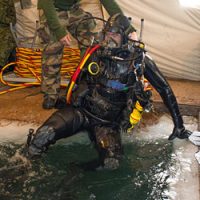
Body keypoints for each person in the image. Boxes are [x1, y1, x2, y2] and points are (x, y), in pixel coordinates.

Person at [26, 13, 192, 170]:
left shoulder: (139, 60)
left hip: (107, 124)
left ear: (125, 36)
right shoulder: (96, 52)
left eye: (114, 34)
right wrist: (79, 90)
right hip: (81, 112)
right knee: (43, 135)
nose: (109, 38)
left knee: (111, 163)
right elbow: (79, 78)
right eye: (106, 34)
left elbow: (165, 89)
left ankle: (75, 173)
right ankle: (26, 169)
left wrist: (179, 125)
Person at [38, 0, 137, 109]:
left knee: (93, 39)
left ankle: (85, 82)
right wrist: (58, 30)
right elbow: (45, 2)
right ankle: (51, 94)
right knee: (52, 49)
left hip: (72, 9)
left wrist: (128, 29)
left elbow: (108, 2)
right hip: (51, 10)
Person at [0, 0, 16, 69]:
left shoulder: (8, 1)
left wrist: (2, 19)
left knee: (8, 40)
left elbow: (13, 20)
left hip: (5, 29)